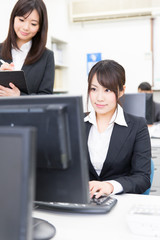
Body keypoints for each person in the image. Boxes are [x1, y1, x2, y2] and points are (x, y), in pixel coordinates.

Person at [84, 60, 151, 198]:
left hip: (119, 201)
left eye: (107, 90)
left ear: (121, 91)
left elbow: (142, 178)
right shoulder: (76, 122)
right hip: (81, 201)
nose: (99, 98)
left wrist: (110, 186)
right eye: (94, 89)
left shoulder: (137, 126)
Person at [0, 0, 54, 96]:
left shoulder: (47, 56)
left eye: (33, 24)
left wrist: (19, 96)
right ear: (13, 19)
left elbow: (46, 97)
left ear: (40, 27)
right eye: (21, 20)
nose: (26, 27)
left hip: (29, 111)